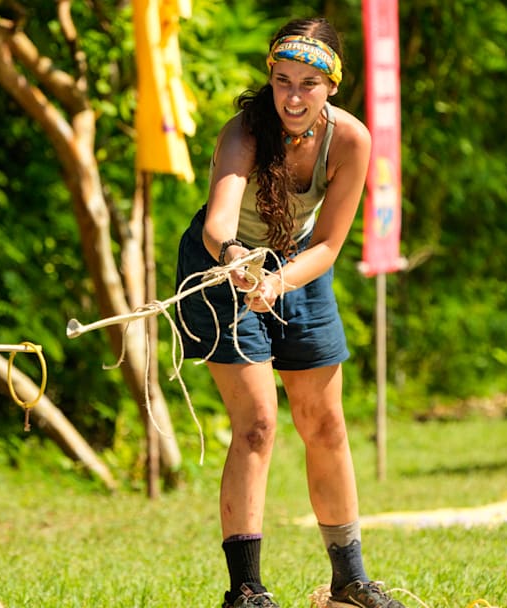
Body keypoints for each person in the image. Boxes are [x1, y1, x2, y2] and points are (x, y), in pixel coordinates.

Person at [174, 16, 407, 608]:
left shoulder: (351, 140)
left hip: (296, 265)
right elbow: (218, 223)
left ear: (332, 86)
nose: (293, 96)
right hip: (220, 266)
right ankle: (246, 590)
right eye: (282, 81)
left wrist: (277, 281)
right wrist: (237, 260)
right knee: (257, 422)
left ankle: (349, 580)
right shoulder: (244, 132)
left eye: (309, 83)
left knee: (324, 422)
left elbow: (328, 245)